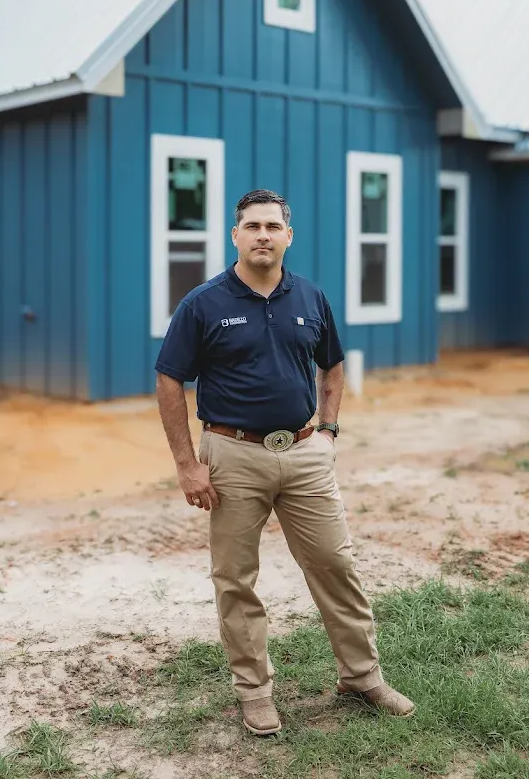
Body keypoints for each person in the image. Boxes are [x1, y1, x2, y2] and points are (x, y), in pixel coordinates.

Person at [155, 189, 415, 736]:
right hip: (232, 456)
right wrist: (186, 464)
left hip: (304, 453)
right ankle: (255, 691)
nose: (263, 235)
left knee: (334, 564)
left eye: (272, 226)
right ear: (236, 236)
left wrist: (328, 430)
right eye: (252, 226)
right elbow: (169, 379)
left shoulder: (311, 297)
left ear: (288, 236)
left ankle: (362, 676)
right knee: (235, 578)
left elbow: (333, 367)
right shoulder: (203, 303)